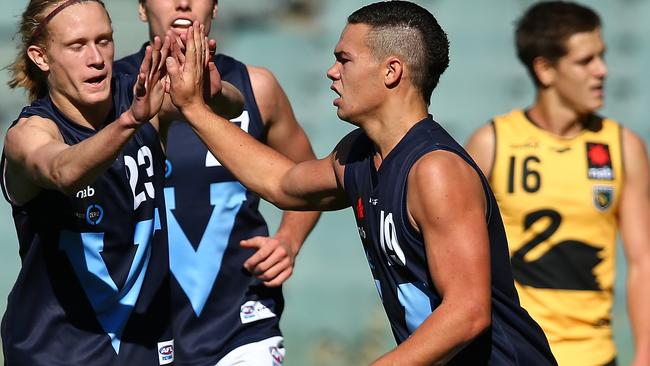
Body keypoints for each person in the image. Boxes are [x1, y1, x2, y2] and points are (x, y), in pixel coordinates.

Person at [164, 2, 558, 364]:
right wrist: (195, 109)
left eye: (344, 59)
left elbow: (467, 313)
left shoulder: (436, 169)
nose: (331, 72)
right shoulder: (358, 153)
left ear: (391, 71)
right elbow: (282, 182)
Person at [0, 1, 239, 364]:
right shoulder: (30, 133)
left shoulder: (138, 95)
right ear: (41, 57)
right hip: (54, 350)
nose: (96, 58)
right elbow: (62, 171)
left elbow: (232, 106)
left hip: (143, 344)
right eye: (77, 45)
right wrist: (130, 122)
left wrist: (211, 90)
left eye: (104, 41)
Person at [113, 1, 320, 365]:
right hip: (136, 334)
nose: (183, 2)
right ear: (142, 9)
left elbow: (311, 180)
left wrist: (288, 240)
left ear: (215, 8)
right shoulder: (107, 92)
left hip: (241, 329)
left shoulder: (257, 87)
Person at [465, 2, 650, 365]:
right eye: (586, 61)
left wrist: (644, 351)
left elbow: (643, 261)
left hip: (595, 355)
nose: (602, 71)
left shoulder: (623, 146)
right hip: (513, 354)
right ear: (546, 70)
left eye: (602, 57)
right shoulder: (491, 143)